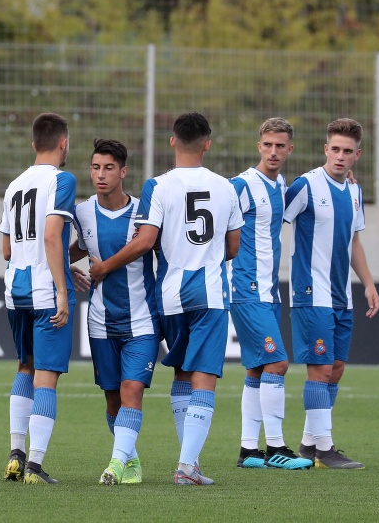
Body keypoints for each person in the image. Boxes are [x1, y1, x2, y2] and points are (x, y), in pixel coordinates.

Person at [89, 112, 243, 485]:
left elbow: (145, 241)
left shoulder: (157, 186)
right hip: (208, 293)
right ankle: (187, 466)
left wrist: (103, 266)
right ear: (207, 143)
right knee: (204, 377)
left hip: (170, 295)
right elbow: (233, 247)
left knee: (182, 373)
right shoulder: (226, 188)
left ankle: (189, 464)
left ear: (172, 141)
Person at [284, 117, 379, 469]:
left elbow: (354, 240)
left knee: (336, 369)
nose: (340, 156)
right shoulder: (305, 186)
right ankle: (325, 448)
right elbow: (271, 218)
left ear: (357, 155)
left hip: (341, 295)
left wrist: (368, 283)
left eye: (347, 151)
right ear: (326, 149)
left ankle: (310, 443)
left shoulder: (354, 192)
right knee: (320, 369)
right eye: (335, 149)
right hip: (311, 293)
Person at [69, 139, 160, 485]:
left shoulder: (144, 212)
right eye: (95, 167)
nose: (101, 175)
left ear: (123, 171)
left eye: (108, 168)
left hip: (142, 320)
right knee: (111, 399)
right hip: (100, 322)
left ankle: (116, 465)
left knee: (131, 390)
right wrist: (67, 267)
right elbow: (75, 249)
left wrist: (104, 267)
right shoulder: (82, 212)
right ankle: (131, 461)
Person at [230, 118, 313, 470]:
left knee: (257, 368)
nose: (274, 151)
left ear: (289, 149)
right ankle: (277, 447)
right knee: (278, 363)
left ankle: (249, 450)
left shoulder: (280, 185)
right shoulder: (242, 185)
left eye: (280, 146)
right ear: (258, 146)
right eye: (268, 145)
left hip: (268, 290)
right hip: (245, 288)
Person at [0, 113, 77, 484]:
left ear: (34, 145)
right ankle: (34, 465)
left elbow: (5, 249)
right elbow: (51, 236)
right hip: (46, 292)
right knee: (47, 377)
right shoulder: (63, 179)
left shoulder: (14, 185)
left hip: (16, 291)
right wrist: (62, 289)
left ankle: (15, 453)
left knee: (24, 368)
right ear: (64, 143)